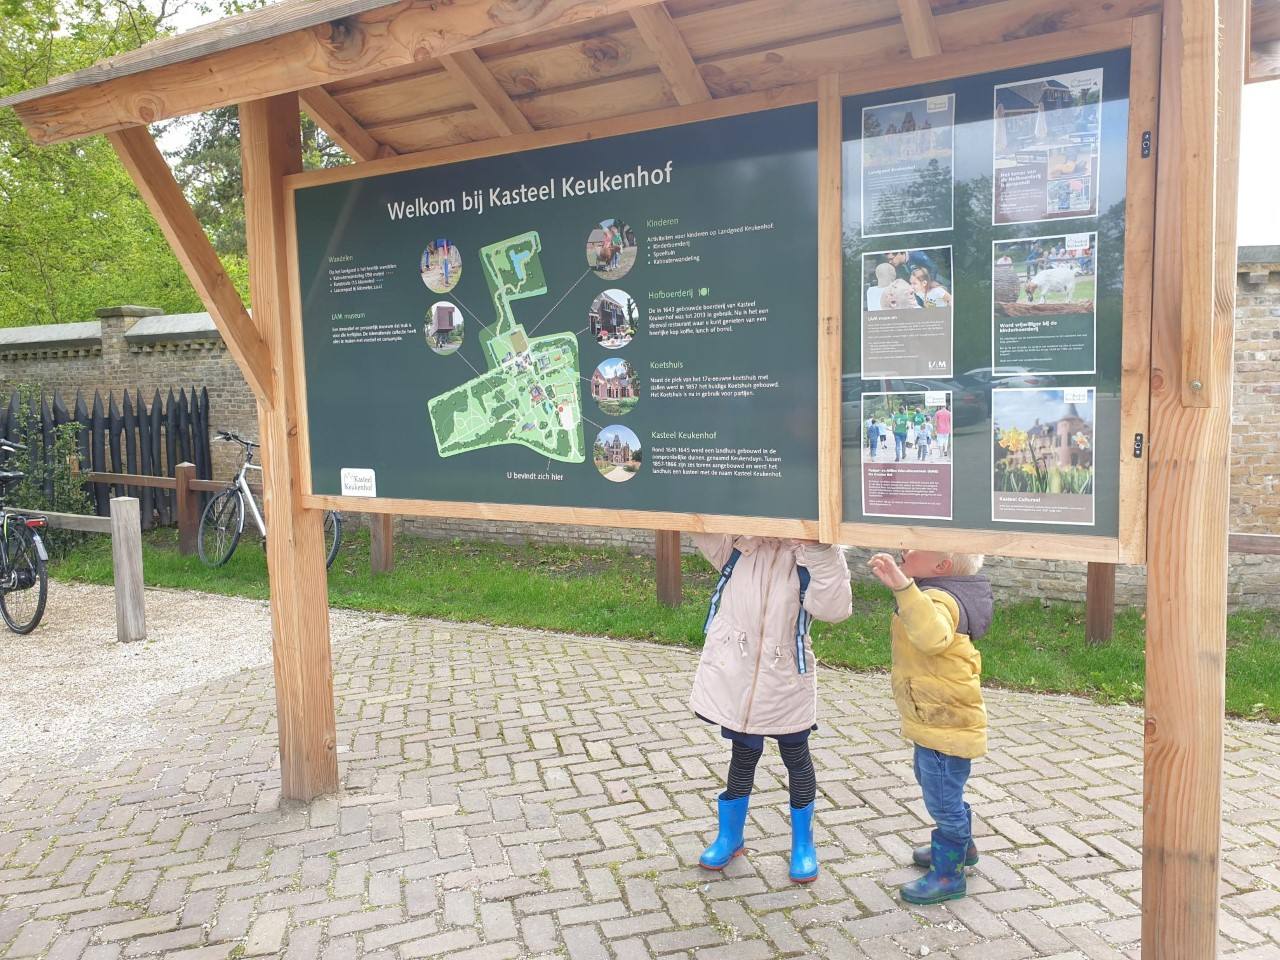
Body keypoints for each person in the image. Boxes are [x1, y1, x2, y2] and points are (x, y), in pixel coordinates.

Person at [690, 536, 852, 884]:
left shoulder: (813, 553)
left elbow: (835, 608)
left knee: (796, 756)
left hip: (784, 677)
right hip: (742, 676)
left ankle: (803, 844)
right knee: (743, 754)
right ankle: (730, 837)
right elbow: (701, 522)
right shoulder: (742, 542)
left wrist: (819, 549)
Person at [866, 549, 993, 904]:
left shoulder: (938, 597)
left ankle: (949, 873)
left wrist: (904, 587)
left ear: (942, 566)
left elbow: (932, 637)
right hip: (936, 717)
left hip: (944, 723)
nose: (905, 548)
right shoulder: (940, 590)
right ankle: (963, 848)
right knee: (938, 785)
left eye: (916, 546)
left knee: (941, 799)